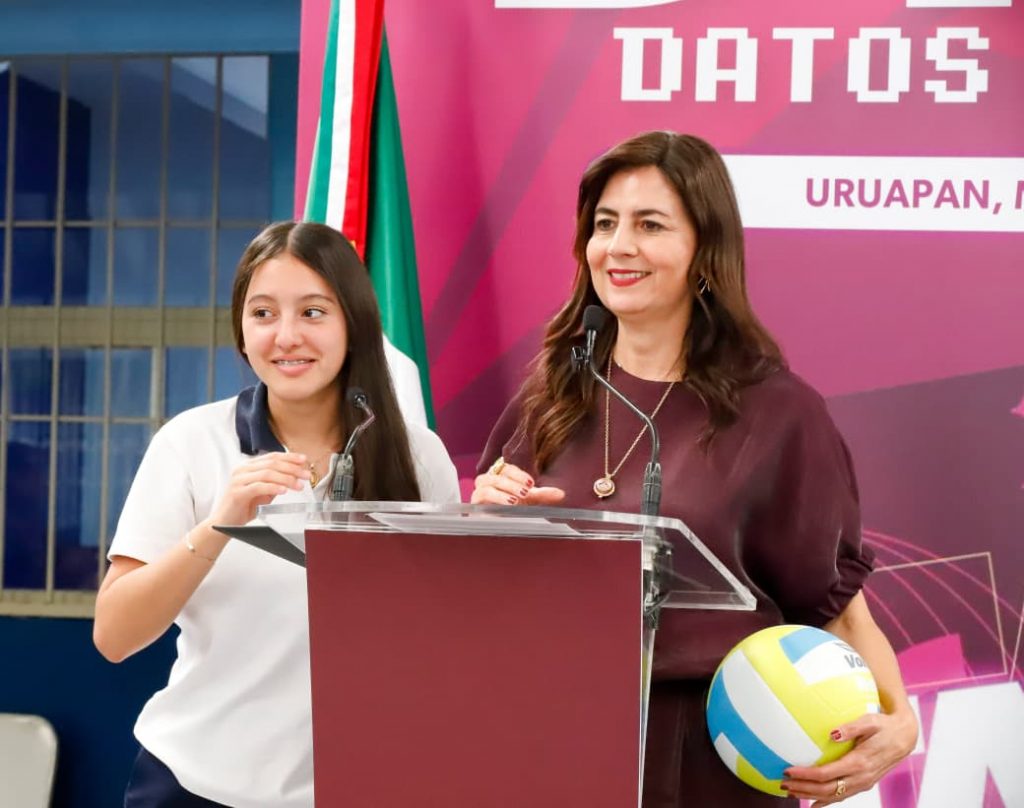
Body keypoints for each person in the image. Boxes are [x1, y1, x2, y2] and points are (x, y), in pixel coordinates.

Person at [472, 131, 918, 807]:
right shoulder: (550, 397)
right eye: (604, 224)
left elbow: (833, 607)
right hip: (548, 735)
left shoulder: (778, 413)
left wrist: (900, 720)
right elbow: (489, 594)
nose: (618, 246)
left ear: (704, 251)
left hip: (703, 753)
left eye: (650, 225)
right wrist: (482, 525)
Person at [94, 221, 460, 807]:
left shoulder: (418, 456)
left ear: (354, 324)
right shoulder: (190, 442)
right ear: (242, 331)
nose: (286, 336)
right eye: (263, 313)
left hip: (359, 785)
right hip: (195, 784)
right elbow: (114, 636)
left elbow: (447, 637)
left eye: (313, 312)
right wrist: (220, 524)